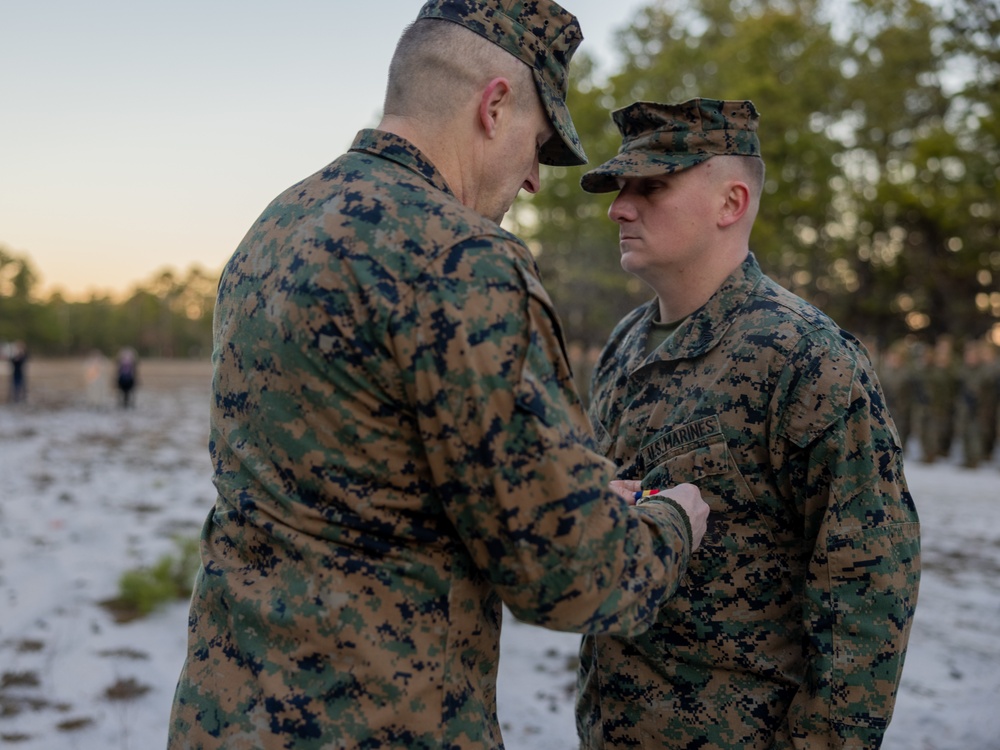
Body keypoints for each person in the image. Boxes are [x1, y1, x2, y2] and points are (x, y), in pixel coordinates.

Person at [168, 4, 709, 749]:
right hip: (378, 724)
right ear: (494, 106)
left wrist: (569, 490)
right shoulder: (460, 259)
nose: (531, 182)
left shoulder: (279, 224)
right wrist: (672, 520)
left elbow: (366, 474)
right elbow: (569, 573)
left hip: (222, 715)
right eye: (537, 146)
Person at [574, 99, 921, 749]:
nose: (620, 208)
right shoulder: (626, 344)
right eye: (622, 189)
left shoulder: (804, 354)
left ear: (730, 204)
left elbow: (868, 586)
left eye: (651, 187)